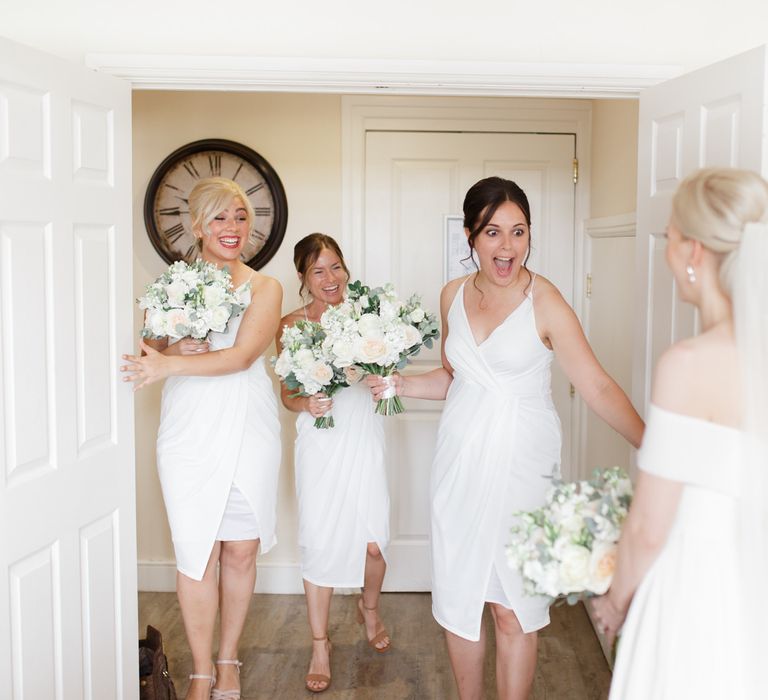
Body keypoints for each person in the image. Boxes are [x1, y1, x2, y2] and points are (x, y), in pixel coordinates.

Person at [368, 176, 644, 699]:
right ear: (471, 237)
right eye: (493, 233)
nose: (508, 247)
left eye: (519, 232)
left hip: (523, 464)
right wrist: (401, 383)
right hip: (460, 460)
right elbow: (456, 378)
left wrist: (653, 444)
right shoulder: (452, 294)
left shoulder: (546, 302)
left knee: (513, 607)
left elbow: (597, 386)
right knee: (461, 601)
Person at [591, 168, 768, 699]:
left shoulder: (689, 364)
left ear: (693, 251)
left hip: (701, 589)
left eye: (667, 238)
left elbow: (648, 526)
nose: (666, 253)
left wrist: (614, 602)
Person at [121, 177, 282, 700]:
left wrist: (169, 362)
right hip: (189, 427)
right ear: (196, 226)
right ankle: (199, 671)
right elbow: (147, 344)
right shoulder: (172, 282)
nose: (232, 228)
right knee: (197, 551)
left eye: (239, 217)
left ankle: (229, 661)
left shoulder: (266, 287)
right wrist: (172, 342)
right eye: (219, 218)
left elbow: (241, 357)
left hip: (248, 423)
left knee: (239, 549)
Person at [275, 233, 391, 694]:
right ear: (303, 278)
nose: (331, 279)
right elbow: (287, 394)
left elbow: (386, 373)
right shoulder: (291, 325)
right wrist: (307, 405)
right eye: (319, 271)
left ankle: (370, 609)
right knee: (321, 541)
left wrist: (375, 375)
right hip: (320, 444)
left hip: (363, 434)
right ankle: (320, 643)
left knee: (373, 544)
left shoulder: (368, 317)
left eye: (337, 267)